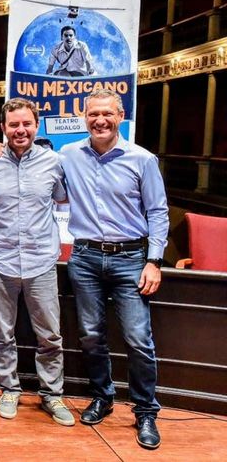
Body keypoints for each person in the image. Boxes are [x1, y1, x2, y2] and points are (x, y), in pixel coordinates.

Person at [62, 89, 168, 450]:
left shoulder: (142, 159)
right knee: (91, 334)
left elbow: (157, 212)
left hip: (131, 259)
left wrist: (154, 260)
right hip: (86, 257)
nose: (100, 120)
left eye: (107, 114)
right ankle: (103, 396)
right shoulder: (68, 155)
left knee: (138, 339)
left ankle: (146, 412)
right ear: (84, 117)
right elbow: (51, 185)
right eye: (93, 114)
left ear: (120, 116)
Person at [0, 98, 74, 426]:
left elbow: (62, 198)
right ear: (2, 128)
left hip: (41, 261)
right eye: (13, 125)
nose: (20, 130)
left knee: (50, 334)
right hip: (0, 260)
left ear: (36, 125)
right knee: (2, 332)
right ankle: (9, 388)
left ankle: (52, 394)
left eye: (26, 124)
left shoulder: (54, 162)